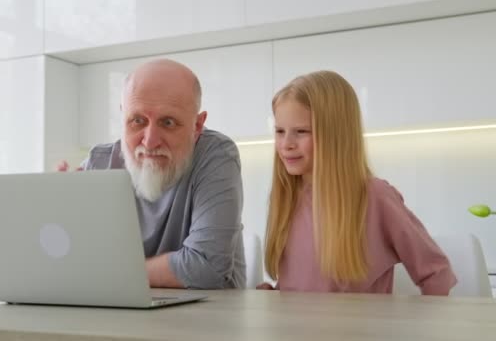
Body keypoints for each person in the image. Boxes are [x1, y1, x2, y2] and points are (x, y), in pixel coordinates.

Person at [256, 70, 457, 295]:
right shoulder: (286, 198)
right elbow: (307, 282)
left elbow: (437, 273)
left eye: (301, 132)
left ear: (336, 135)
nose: (286, 144)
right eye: (280, 131)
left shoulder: (376, 196)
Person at [60, 59, 245, 289]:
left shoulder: (216, 155)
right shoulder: (100, 162)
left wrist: (108, 272)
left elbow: (206, 267)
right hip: (117, 315)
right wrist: (58, 216)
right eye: (138, 121)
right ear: (123, 116)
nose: (150, 141)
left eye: (168, 122)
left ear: (197, 126)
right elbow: (73, 263)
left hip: (206, 318)